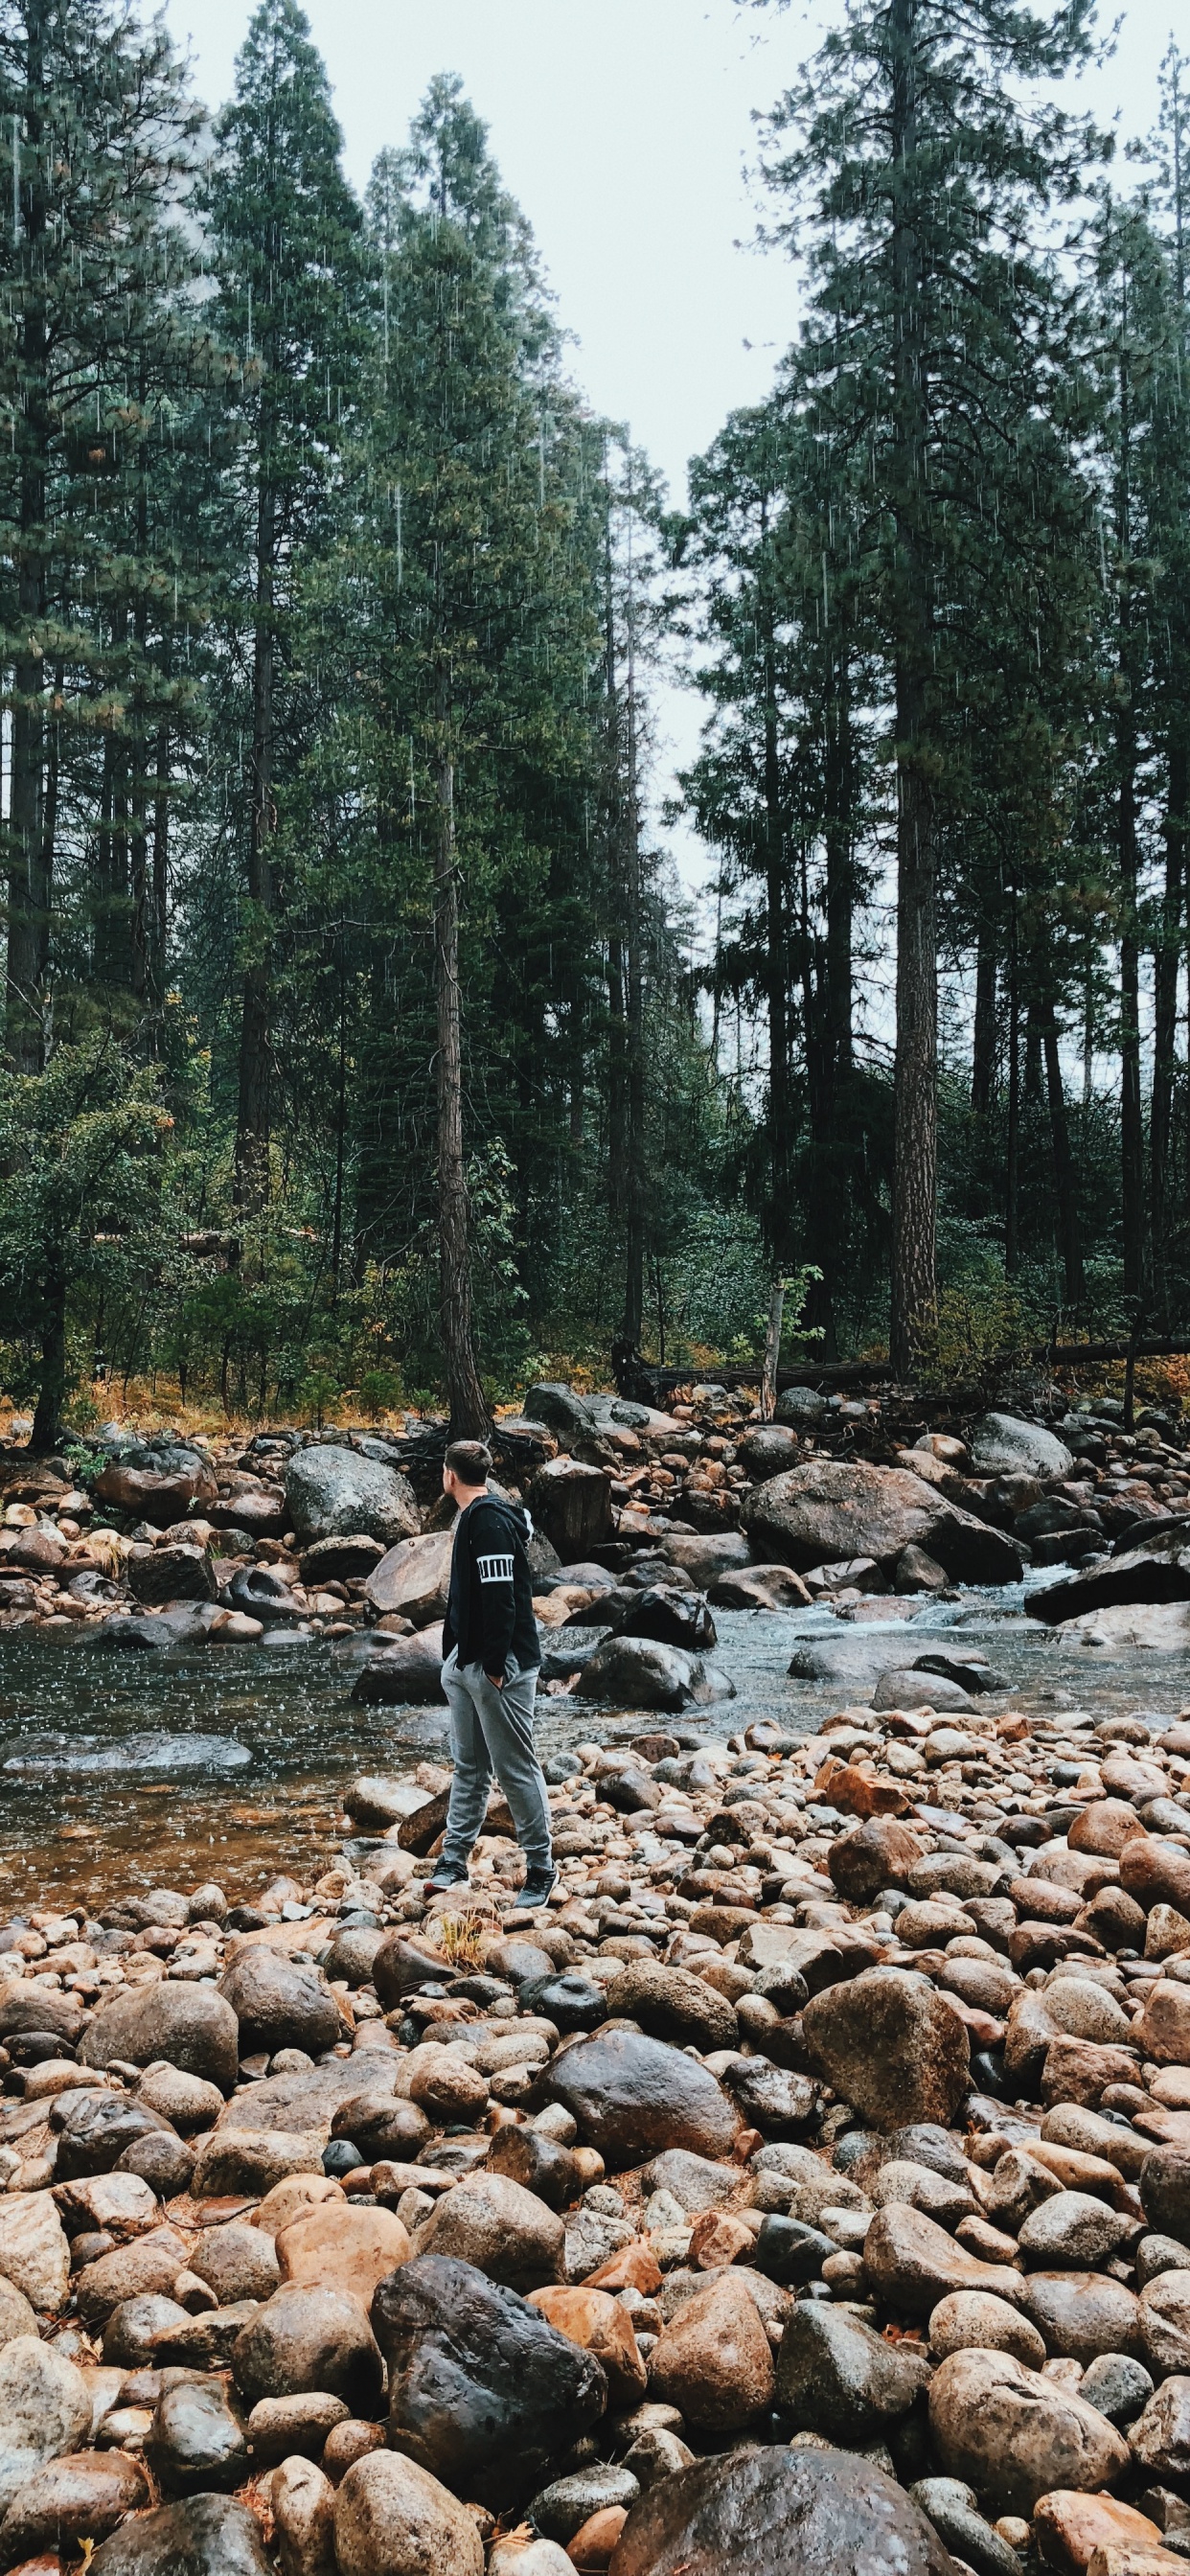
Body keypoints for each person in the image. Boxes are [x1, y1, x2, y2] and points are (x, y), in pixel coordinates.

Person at [425, 1438, 556, 1908]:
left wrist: (496, 1667)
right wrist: (455, 1659)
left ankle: (541, 1868)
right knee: (470, 1767)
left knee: (515, 1767)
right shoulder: (473, 1520)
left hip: (501, 1666)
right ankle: (454, 1861)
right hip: (467, 1663)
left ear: (450, 1475)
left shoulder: (492, 1524)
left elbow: (502, 1598)